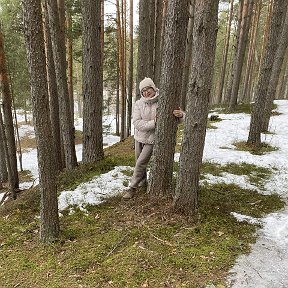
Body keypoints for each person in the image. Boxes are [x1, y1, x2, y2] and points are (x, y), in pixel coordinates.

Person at [122, 77, 184, 199]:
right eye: (143, 90)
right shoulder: (139, 104)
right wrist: (154, 123)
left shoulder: (163, 100)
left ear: (153, 88)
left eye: (148, 89)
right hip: (139, 138)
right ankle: (143, 183)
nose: (146, 92)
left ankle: (132, 188)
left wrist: (182, 115)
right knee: (140, 163)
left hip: (152, 139)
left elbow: (176, 118)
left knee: (140, 163)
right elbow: (136, 122)